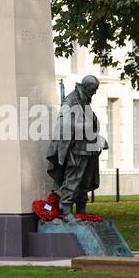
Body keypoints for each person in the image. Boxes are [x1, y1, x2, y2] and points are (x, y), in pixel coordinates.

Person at [46, 75, 108, 222]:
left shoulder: (84, 100)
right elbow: (66, 126)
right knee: (73, 180)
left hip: (88, 148)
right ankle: (66, 210)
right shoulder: (72, 100)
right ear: (86, 87)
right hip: (77, 149)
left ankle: (81, 211)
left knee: (85, 182)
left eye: (96, 90)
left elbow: (91, 122)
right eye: (93, 89)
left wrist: (96, 138)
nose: (94, 92)